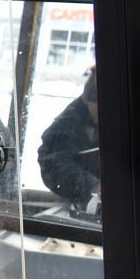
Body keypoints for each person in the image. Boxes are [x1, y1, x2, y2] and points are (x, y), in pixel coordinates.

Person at [38, 66, 100, 209]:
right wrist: (94, 186)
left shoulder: (94, 121)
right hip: (76, 203)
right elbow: (56, 166)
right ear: (89, 101)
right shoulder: (65, 127)